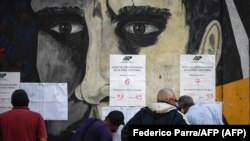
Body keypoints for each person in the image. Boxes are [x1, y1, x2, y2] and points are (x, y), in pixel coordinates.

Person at [29, 0, 243, 140]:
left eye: (139, 29)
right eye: (64, 28)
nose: (90, 88)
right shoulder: (179, 118)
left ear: (208, 49)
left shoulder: (144, 116)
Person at [121, 88, 189, 141]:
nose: (176, 103)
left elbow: (125, 132)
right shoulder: (177, 115)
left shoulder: (142, 113)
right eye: (175, 100)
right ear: (171, 100)